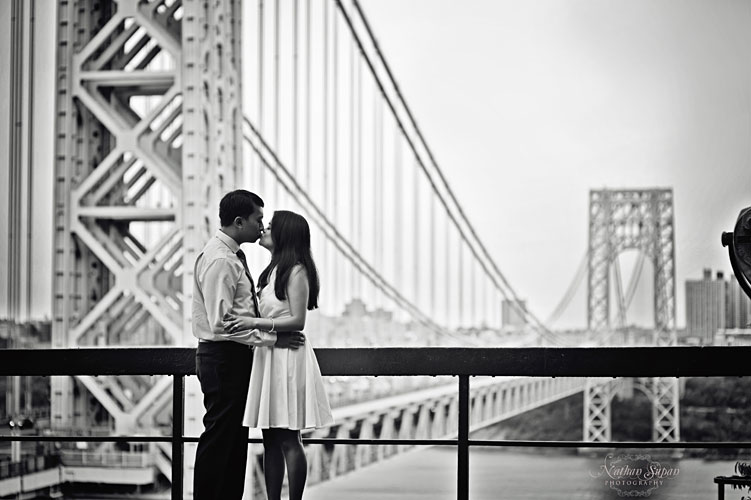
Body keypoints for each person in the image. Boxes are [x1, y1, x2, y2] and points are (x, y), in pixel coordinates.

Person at [192, 190, 306, 500]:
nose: (262, 226)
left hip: (236, 358)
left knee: (232, 440)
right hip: (225, 357)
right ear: (239, 222)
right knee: (220, 440)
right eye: (258, 220)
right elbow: (221, 324)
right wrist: (271, 337)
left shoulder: (231, 257)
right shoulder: (221, 260)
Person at [224, 210, 334, 500]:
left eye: (270, 226)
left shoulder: (296, 270)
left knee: (288, 438)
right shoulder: (272, 271)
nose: (263, 229)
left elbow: (298, 320)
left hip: (288, 358)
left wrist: (253, 323)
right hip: (270, 354)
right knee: (270, 438)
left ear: (285, 235)